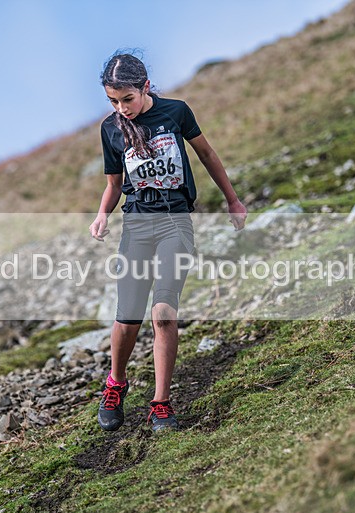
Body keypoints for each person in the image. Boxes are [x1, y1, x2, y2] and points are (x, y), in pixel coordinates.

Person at [89, 52, 247, 432]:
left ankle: (161, 403)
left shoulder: (176, 112)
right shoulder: (110, 129)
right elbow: (113, 184)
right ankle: (116, 384)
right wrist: (102, 214)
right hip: (137, 225)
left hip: (176, 222)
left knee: (163, 313)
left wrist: (232, 199)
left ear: (145, 87)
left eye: (127, 99)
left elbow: (206, 154)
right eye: (113, 101)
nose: (122, 108)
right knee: (128, 318)